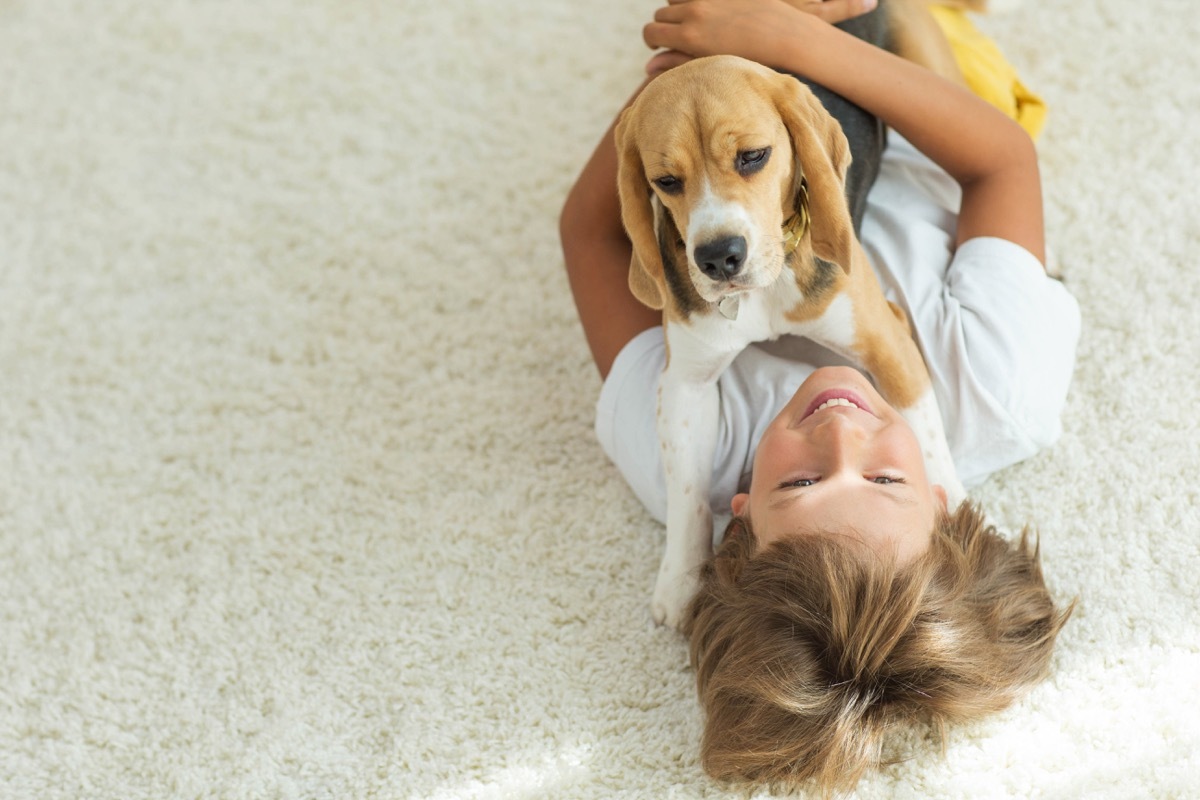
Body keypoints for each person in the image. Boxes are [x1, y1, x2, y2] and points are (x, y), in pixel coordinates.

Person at [558, 0, 1079, 793]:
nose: (841, 435)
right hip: (927, 120)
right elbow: (1000, 161)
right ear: (942, 496)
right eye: (885, 479)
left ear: (738, 517)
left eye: (801, 483)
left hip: (715, 108)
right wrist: (794, 37)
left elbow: (593, 232)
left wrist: (711, 62)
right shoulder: (998, 388)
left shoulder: (687, 460)